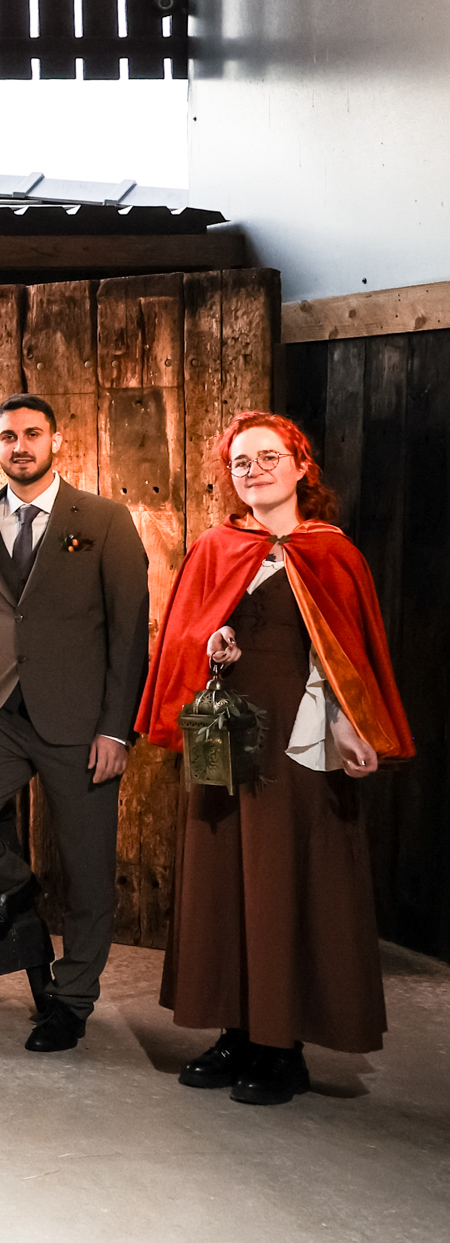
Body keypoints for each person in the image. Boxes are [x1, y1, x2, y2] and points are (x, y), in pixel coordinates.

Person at [137, 413, 411, 1105]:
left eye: (267, 457)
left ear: (300, 466)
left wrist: (351, 724)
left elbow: (345, 655)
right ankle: (235, 1030)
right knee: (224, 879)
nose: (253, 470)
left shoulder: (333, 552)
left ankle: (281, 1046)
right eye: (239, 462)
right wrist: (214, 644)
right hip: (228, 738)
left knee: (287, 881)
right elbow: (184, 640)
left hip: (300, 746)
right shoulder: (216, 547)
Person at [0, 393, 148, 1054]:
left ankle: (70, 1001)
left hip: (79, 722)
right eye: (8, 436)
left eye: (32, 433)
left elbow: (129, 635)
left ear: (56, 440)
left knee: (88, 866)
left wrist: (115, 728)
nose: (20, 445)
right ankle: (18, 884)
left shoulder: (103, 519)